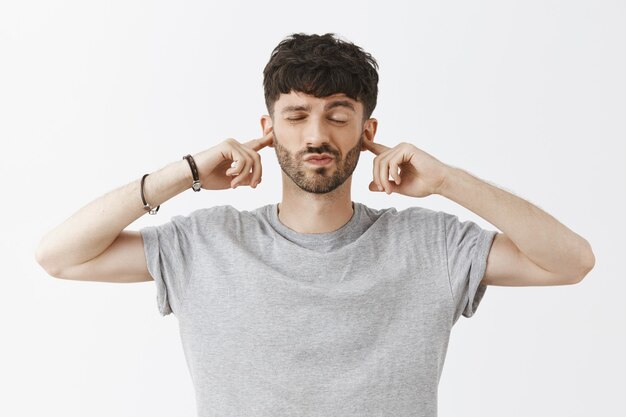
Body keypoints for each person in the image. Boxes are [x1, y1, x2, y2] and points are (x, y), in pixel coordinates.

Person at [35, 32, 595, 417]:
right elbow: (60, 256)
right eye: (297, 115)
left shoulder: (431, 243)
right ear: (267, 128)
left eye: (337, 114)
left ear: (367, 129)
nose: (315, 136)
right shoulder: (206, 241)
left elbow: (571, 261)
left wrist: (447, 180)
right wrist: (184, 175)